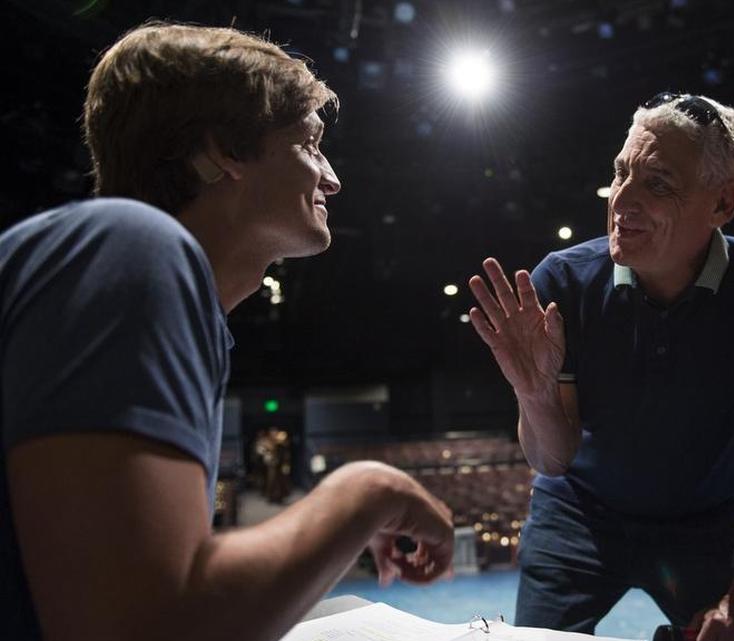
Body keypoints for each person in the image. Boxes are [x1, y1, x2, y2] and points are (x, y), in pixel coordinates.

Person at [0, 23, 454, 641]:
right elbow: (140, 627)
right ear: (223, 150)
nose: (332, 179)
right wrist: (369, 493)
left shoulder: (157, 284)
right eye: (311, 145)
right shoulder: (130, 245)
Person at [468, 92, 734, 639]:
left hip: (705, 523)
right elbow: (552, 460)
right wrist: (534, 393)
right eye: (620, 173)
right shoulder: (560, 284)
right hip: (578, 516)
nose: (621, 199)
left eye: (657, 182)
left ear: (723, 204)